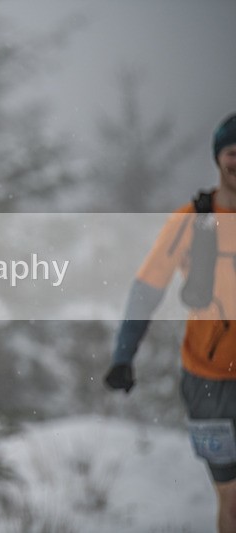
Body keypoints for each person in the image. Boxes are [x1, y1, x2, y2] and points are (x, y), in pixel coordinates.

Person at [105, 113, 236, 532]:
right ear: (218, 157)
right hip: (207, 381)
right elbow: (147, 289)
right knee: (232, 498)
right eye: (232, 152)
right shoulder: (190, 220)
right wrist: (123, 356)